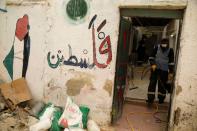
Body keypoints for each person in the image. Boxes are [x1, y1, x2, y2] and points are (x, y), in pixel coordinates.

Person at [147, 38, 174, 104]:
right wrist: (153, 64)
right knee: (152, 84)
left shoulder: (170, 50)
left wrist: (171, 72)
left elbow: (171, 62)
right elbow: (151, 57)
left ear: (167, 44)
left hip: (164, 71)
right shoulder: (156, 48)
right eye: (162, 44)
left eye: (165, 44)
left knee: (162, 85)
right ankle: (150, 99)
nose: (163, 45)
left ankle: (161, 99)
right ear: (160, 43)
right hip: (155, 69)